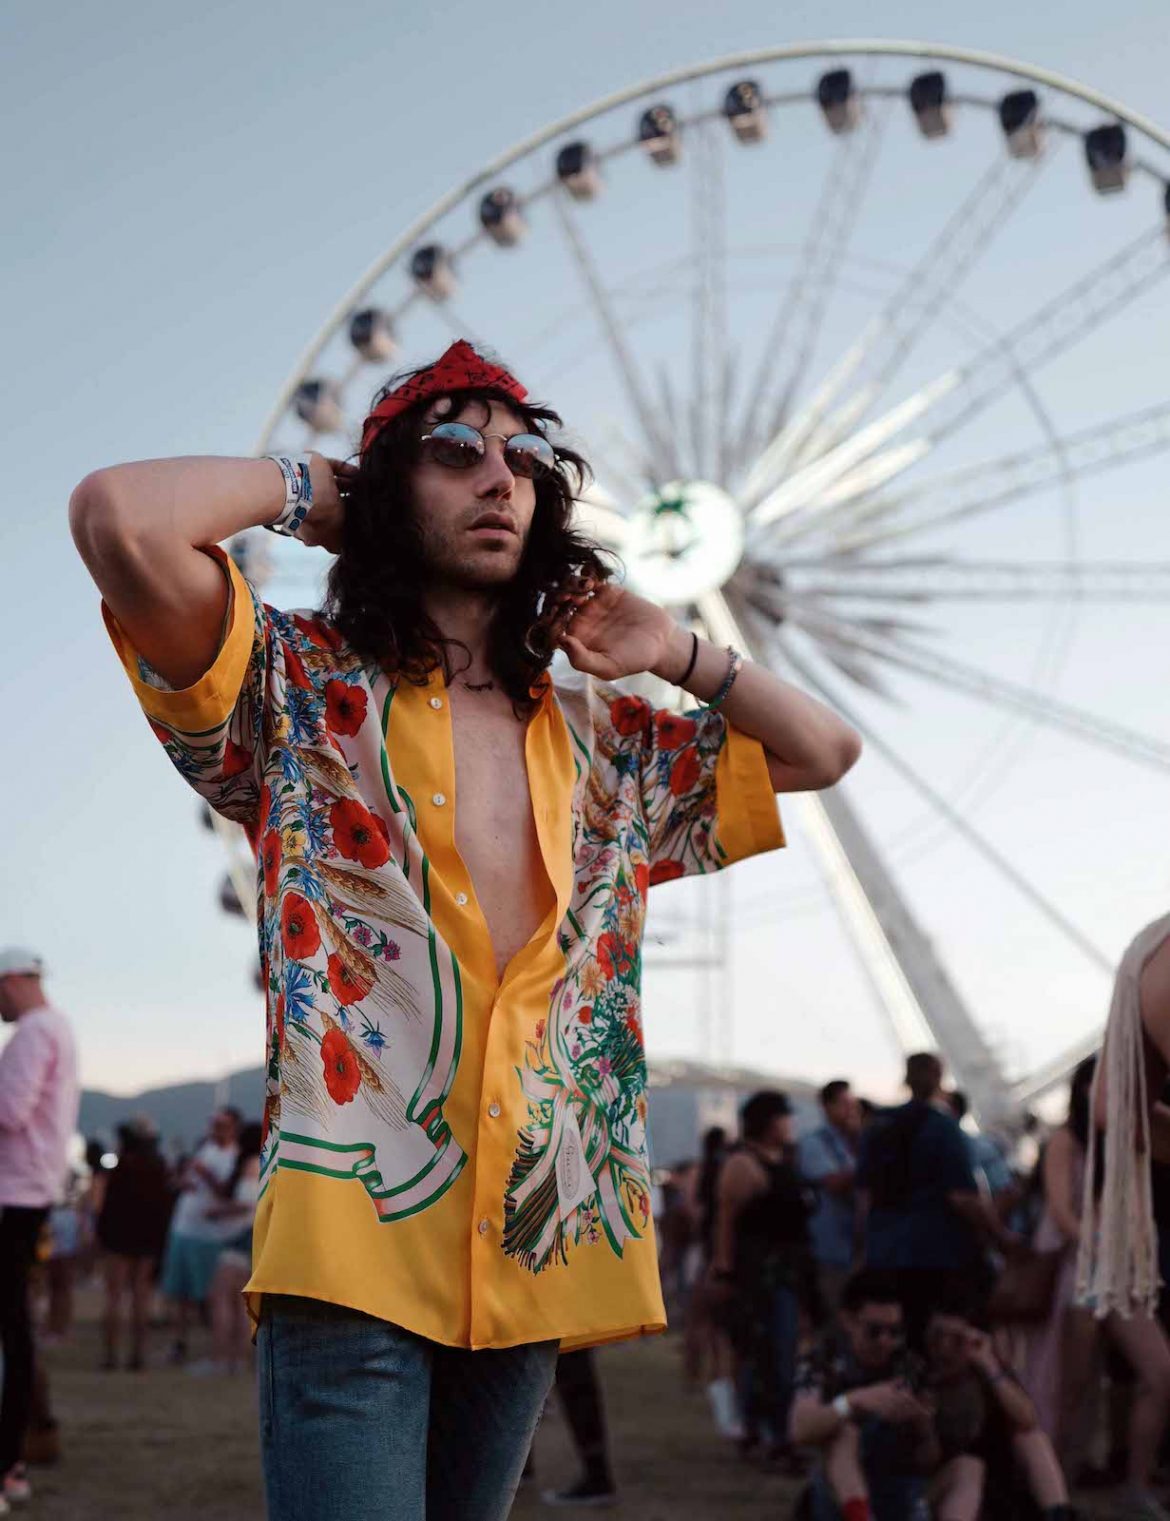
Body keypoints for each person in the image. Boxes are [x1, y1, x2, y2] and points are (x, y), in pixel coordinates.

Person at [70, 338, 861, 1520]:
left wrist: (679, 653)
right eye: (454, 453)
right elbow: (119, 518)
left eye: (527, 457)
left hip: (536, 1237)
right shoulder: (289, 689)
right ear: (396, 487)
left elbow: (825, 751)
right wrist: (335, 493)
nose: (502, 478)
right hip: (355, 1232)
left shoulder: (610, 743)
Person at [1027, 1055, 1170, 1519]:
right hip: (1084, 1276)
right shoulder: (1066, 1141)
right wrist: (1102, 1245)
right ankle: (1057, 1487)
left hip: (1122, 1275)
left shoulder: (1132, 1140)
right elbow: (1061, 1213)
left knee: (1160, 1373)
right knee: (1072, 1385)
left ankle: (1135, 1482)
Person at [857, 1053, 1015, 1349]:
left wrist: (864, 1247)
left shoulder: (878, 1126)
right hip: (935, 1251)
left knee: (897, 1339)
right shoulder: (942, 1127)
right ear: (938, 1077)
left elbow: (864, 1195)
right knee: (940, 1339)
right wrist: (998, 1234)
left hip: (885, 1251)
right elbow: (963, 1197)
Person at [791, 1268, 970, 1521]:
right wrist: (854, 1402)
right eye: (874, 1331)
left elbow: (928, 1459)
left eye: (894, 1332)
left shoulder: (908, 1366)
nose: (885, 1341)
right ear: (848, 1321)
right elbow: (800, 1428)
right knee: (844, 1433)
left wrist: (923, 1426)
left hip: (896, 1490)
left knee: (968, 1467)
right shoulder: (822, 1358)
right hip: (839, 1498)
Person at [0, 948, 79, 1512]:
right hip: (33, 1195)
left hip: (11, 1195)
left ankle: (6, 1463)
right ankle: (13, 1463)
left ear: (12, 982)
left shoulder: (32, 1030)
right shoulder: (60, 1028)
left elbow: (9, 1111)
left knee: (11, 1333)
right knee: (16, 1329)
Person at [710, 1089, 815, 1462]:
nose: (791, 1123)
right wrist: (723, 1271)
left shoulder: (782, 1159)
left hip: (787, 1274)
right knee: (767, 1356)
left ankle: (769, 1433)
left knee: (779, 1356)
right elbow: (725, 1222)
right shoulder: (743, 1164)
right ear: (769, 1122)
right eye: (785, 1117)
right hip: (759, 1278)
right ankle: (768, 1436)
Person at [923, 1296, 1073, 1521]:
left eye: (955, 1340)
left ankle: (1060, 1516)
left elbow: (1028, 1419)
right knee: (969, 1467)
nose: (944, 1348)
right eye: (937, 1338)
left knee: (1030, 1437)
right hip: (945, 1485)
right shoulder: (920, 1376)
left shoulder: (987, 1377)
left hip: (994, 1488)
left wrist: (989, 1364)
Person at [158, 1106, 239, 1362]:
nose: (215, 1129)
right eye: (213, 1123)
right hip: (183, 1228)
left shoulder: (235, 1157)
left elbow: (228, 1193)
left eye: (221, 1125)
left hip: (209, 1236)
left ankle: (219, 1350)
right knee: (180, 1293)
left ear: (233, 1128)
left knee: (214, 1297)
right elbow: (186, 1181)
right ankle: (179, 1344)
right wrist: (183, 1181)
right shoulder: (206, 1148)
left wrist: (206, 1175)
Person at [96, 1116, 175, 1370]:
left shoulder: (119, 1168)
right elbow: (164, 1206)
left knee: (114, 1297)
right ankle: (138, 1356)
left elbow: (105, 1206)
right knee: (142, 1297)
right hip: (148, 1237)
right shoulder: (158, 1166)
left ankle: (110, 1356)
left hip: (118, 1236)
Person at [199, 1119, 264, 1376]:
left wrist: (218, 1212)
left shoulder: (249, 1164)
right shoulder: (264, 1163)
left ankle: (221, 1358)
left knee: (222, 1299)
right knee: (239, 1304)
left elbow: (247, 1204)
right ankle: (238, 1359)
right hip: (248, 1239)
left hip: (238, 1239)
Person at [801, 1080, 863, 1319]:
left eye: (854, 1105)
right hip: (832, 1250)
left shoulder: (854, 1143)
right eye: (845, 1105)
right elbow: (834, 1183)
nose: (852, 1111)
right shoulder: (814, 1144)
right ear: (827, 1107)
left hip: (857, 1251)